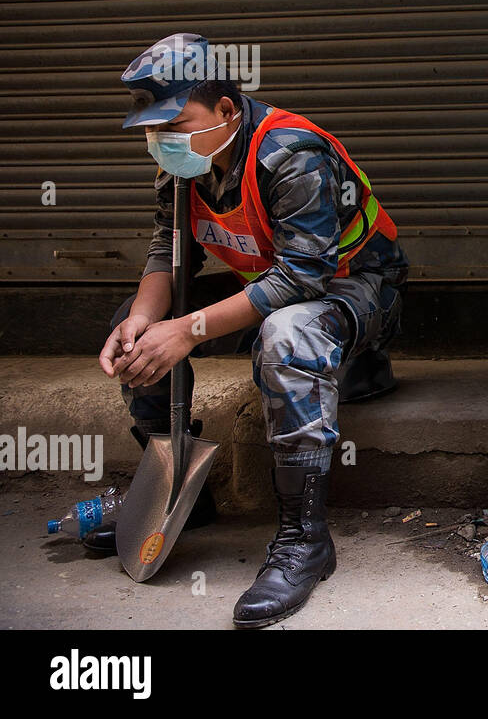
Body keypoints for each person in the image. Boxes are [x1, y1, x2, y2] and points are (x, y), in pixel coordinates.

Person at [95, 33, 408, 627]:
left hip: (356, 289)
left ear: (226, 111)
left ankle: (304, 541)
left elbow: (304, 278)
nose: (163, 141)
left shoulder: (290, 153)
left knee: (288, 336)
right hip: (276, 283)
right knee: (135, 329)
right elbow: (168, 249)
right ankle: (188, 497)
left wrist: (188, 330)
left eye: (176, 124)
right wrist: (143, 320)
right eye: (152, 130)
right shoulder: (183, 164)